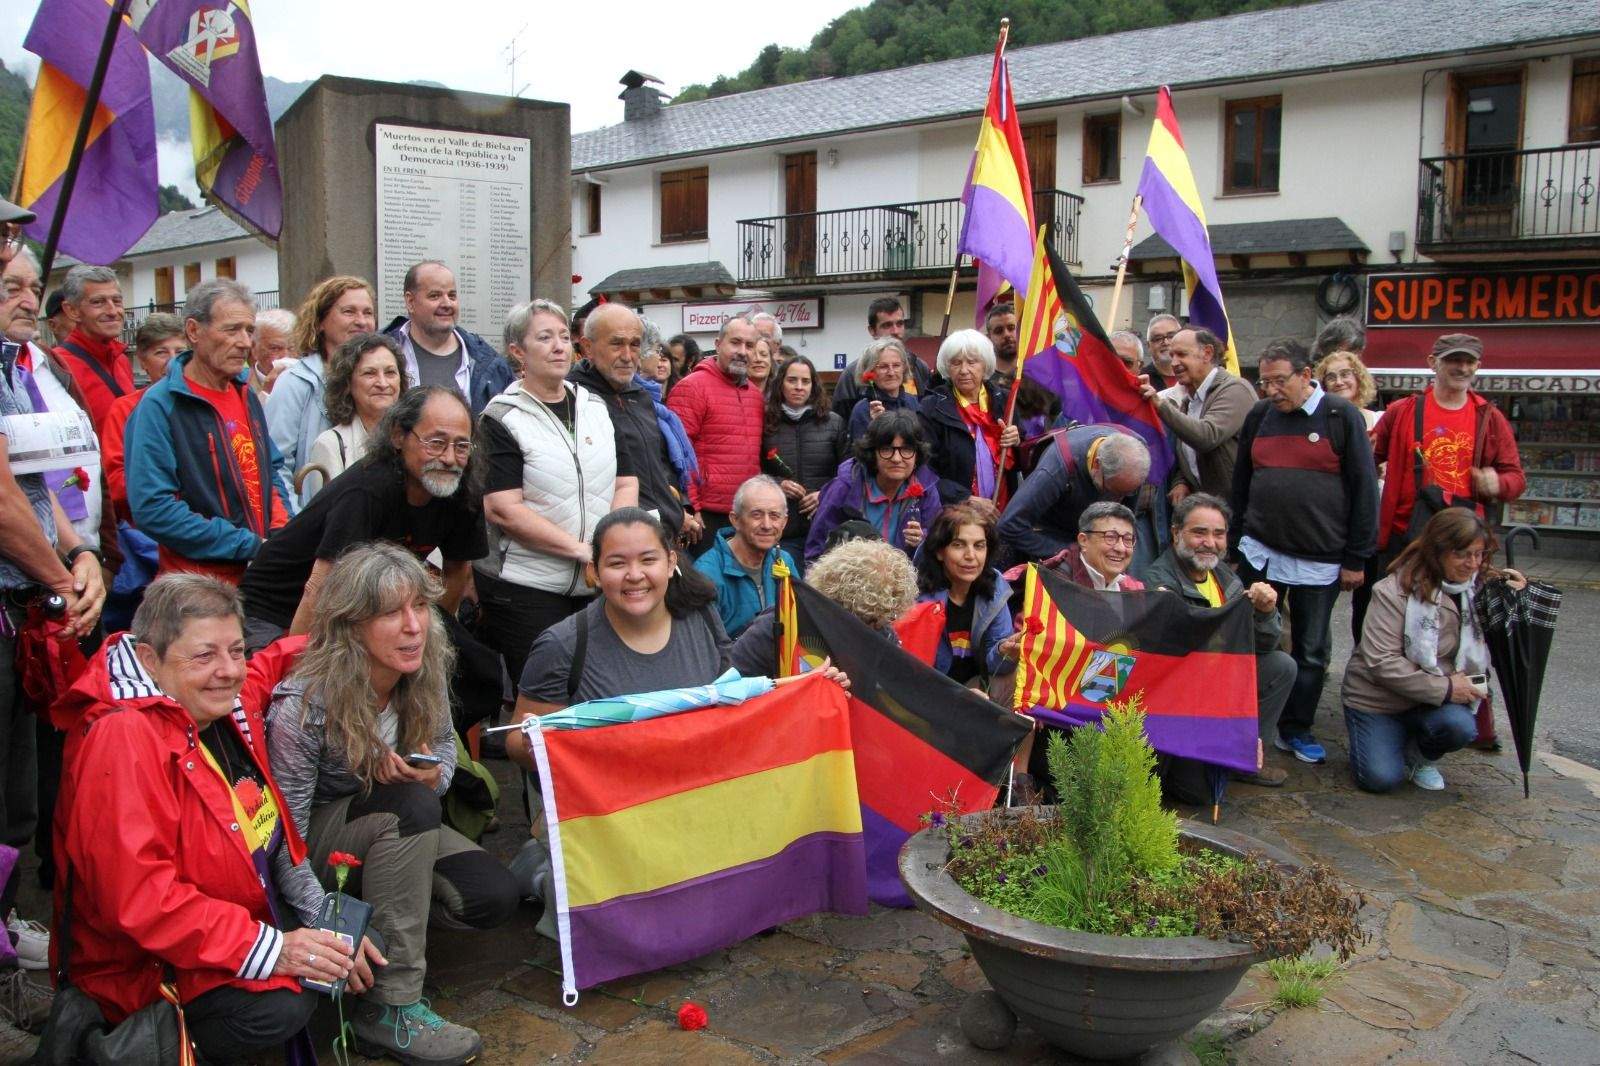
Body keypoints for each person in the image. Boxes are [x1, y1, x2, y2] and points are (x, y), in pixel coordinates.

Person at [53, 575, 356, 1062]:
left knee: (357, 943)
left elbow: (268, 663)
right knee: (281, 1005)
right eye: (204, 655)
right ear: (149, 659)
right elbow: (141, 900)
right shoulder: (123, 737)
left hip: (225, 921)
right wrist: (271, 948)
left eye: (236, 650)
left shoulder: (220, 701)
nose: (228, 671)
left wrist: (360, 631)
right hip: (149, 965)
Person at [267, 544, 517, 1065]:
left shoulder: (421, 672)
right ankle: (391, 1006)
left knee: (491, 896)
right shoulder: (304, 705)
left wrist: (435, 775)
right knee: (410, 806)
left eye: (420, 606)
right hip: (316, 849)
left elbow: (444, 749)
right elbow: (284, 836)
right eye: (390, 613)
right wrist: (324, 920)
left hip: (395, 828)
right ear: (351, 624)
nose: (413, 626)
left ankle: (381, 933)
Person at [0, 198, 106, 1028]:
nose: (26, 292)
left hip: (24, 603)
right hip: (13, 598)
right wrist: (65, 582)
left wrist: (80, 555)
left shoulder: (16, 367)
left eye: (30, 276)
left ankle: (4, 935)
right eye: (10, 273)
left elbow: (39, 489)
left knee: (18, 797)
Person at [1367, 332, 1525, 749]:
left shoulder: (1489, 417)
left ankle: (1476, 722)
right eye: (1454, 360)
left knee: (1469, 630)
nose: (1463, 368)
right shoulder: (1403, 411)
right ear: (1432, 362)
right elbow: (1368, 456)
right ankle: (1391, 715)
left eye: (1470, 361)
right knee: (1400, 626)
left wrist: (1497, 482)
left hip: (1464, 545)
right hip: (1408, 538)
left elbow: (1515, 477)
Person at [239, 386, 484, 647]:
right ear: (398, 436)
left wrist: (429, 643)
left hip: (359, 610)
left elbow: (457, 571)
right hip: (274, 612)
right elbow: (320, 586)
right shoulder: (367, 491)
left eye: (462, 446)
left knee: (475, 662)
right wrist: (292, 665)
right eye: (436, 443)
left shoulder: (461, 489)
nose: (449, 458)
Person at [1231, 337, 1378, 766]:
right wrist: (1235, 540)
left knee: (1311, 650)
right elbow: (1241, 481)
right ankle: (1247, 718)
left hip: (1321, 558)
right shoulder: (1260, 415)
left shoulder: (1340, 416)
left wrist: (1356, 558)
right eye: (1265, 382)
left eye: (1280, 381)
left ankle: (1297, 727)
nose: (1271, 390)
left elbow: (1364, 490)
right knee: (1251, 637)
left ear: (1306, 375)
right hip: (1261, 551)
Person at [474, 300, 637, 682]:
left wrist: (610, 542)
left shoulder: (595, 406)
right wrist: (580, 549)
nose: (559, 347)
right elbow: (502, 507)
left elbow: (626, 481)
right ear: (518, 351)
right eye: (545, 338)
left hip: (596, 581)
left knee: (597, 687)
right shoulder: (501, 417)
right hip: (528, 585)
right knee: (545, 691)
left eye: (564, 337)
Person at [508, 508, 734, 767]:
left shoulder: (703, 616)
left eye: (648, 560)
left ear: (671, 563)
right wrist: (536, 745)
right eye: (617, 563)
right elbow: (516, 741)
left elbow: (730, 701)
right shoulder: (561, 646)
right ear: (594, 572)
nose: (635, 575)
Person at [1341, 509, 1520, 793]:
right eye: (1463, 554)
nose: (1473, 564)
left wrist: (1515, 595)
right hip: (1379, 700)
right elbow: (1382, 662)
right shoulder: (1391, 591)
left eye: (1479, 554)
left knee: (1459, 726)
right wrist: (1447, 688)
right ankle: (1382, 737)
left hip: (1432, 703)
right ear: (1437, 551)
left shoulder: (1478, 588)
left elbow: (1508, 638)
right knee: (1380, 779)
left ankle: (1419, 755)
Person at [126, 280, 291, 582]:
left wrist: (281, 534)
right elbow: (154, 508)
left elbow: (270, 472)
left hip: (260, 576)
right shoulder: (160, 406)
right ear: (193, 331)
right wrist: (248, 545)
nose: (245, 342)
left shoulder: (245, 394)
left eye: (249, 330)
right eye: (232, 330)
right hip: (198, 587)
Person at [1145, 493, 1296, 789]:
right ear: (1176, 533)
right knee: (1197, 792)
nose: (1210, 542)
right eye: (1199, 532)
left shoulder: (1224, 576)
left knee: (1281, 666)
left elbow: (1262, 646)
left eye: (1218, 534)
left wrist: (1265, 613)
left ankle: (1245, 757)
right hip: (1183, 692)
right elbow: (1172, 659)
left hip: (1221, 676)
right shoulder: (1157, 580)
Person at [3, 249, 115, 556]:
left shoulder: (51, 364)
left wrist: (106, 555)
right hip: (25, 567)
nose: (30, 302)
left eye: (34, 289)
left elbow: (91, 455)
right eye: (12, 289)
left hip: (85, 557)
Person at [571, 303, 703, 544]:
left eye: (634, 345)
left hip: (661, 531)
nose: (627, 355)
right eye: (616, 344)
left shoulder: (640, 396)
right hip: (618, 538)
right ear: (588, 347)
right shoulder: (576, 400)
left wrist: (676, 508)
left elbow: (655, 468)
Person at [730, 537, 916, 678]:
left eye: (886, 619)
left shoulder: (882, 633)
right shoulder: (781, 623)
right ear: (839, 603)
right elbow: (729, 685)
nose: (877, 627)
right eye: (868, 620)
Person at [267, 276, 377, 500]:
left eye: (368, 313)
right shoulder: (295, 382)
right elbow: (276, 465)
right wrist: (295, 517)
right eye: (349, 312)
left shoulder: (381, 382)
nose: (361, 321)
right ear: (320, 322)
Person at [667, 313, 763, 549]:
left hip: (744, 512)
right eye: (735, 342)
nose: (743, 351)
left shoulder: (754, 395)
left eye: (750, 345)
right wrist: (691, 507)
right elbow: (677, 454)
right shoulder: (692, 388)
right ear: (718, 344)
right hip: (705, 517)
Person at [998, 427, 1150, 566]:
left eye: (1127, 492)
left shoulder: (1136, 454)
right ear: (1097, 464)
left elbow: (1126, 519)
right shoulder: (1056, 469)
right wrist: (1071, 552)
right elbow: (1009, 525)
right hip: (1055, 535)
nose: (1117, 501)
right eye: (1111, 491)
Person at [806, 410, 941, 562]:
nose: (897, 459)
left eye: (906, 450)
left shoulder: (926, 489)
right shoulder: (845, 487)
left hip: (908, 575)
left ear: (917, 455)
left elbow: (938, 543)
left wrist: (922, 541)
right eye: (887, 449)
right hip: (852, 574)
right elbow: (817, 551)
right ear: (872, 454)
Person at [383, 260, 513, 416]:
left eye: (452, 296)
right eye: (435, 296)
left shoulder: (490, 364)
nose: (447, 304)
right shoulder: (381, 352)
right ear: (410, 302)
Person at [1142, 326, 1255, 502]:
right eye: (1172, 355)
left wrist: (1159, 404)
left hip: (1238, 509)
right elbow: (1190, 454)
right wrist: (1182, 482)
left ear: (1207, 353)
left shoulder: (1235, 390)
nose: (1174, 363)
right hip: (1208, 509)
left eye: (1182, 354)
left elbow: (1206, 436)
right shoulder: (1189, 402)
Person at [915, 503, 1017, 688]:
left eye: (979, 546)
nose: (970, 555)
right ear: (940, 552)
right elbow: (913, 671)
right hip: (928, 689)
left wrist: (1004, 652)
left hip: (973, 687)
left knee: (1019, 678)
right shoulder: (918, 596)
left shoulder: (995, 586)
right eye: (958, 545)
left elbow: (995, 667)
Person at [918, 329, 1020, 512]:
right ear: (947, 367)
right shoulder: (932, 408)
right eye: (956, 363)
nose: (964, 370)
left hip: (1005, 510)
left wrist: (1017, 441)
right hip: (957, 513)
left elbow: (1025, 461)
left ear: (985, 364)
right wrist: (963, 498)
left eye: (972, 362)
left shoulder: (1005, 401)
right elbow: (923, 470)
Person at [300, 333, 409, 500]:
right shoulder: (330, 445)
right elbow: (330, 512)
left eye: (390, 373)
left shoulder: (413, 437)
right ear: (347, 383)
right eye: (369, 373)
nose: (383, 383)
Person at [762, 353, 848, 565]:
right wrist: (777, 484)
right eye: (792, 380)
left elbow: (848, 472)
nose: (799, 387)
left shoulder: (833, 423)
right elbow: (753, 470)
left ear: (813, 385)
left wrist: (825, 494)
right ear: (780, 384)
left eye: (805, 381)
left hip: (825, 529)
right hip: (781, 532)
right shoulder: (766, 422)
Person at [103, 313, 186, 519]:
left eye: (180, 352)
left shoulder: (206, 403)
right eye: (161, 352)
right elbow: (115, 481)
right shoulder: (125, 409)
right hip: (152, 523)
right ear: (142, 361)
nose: (172, 361)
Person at [693, 475, 797, 639]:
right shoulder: (706, 574)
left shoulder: (784, 561)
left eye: (774, 516)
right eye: (756, 515)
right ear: (735, 520)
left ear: (784, 522)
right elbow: (702, 645)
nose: (767, 525)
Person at [50, 264, 131, 432]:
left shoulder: (121, 360)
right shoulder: (58, 366)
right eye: (98, 302)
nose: (112, 311)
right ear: (72, 310)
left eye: (117, 301)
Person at [830, 297, 932, 414]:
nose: (895, 331)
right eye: (887, 325)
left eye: (899, 324)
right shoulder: (852, 373)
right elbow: (841, 420)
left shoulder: (919, 367)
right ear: (872, 331)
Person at [1045, 501, 1147, 591]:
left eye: (1128, 539)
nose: (1121, 548)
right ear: (1084, 541)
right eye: (1110, 537)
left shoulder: (1134, 591)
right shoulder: (1055, 581)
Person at [845, 336, 921, 439]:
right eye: (883, 367)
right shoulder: (863, 410)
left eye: (896, 365)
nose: (891, 373)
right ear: (870, 370)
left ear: (904, 368)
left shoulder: (912, 402)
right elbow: (859, 447)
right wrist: (874, 428)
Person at [1316, 348, 1381, 432]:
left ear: (1359, 379)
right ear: (1324, 386)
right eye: (1331, 378)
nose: (1338, 382)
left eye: (1345, 375)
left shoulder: (1379, 419)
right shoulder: (1317, 423)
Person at [250, 307, 297, 395]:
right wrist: (266, 393)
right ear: (254, 349)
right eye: (275, 348)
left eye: (291, 348)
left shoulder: (309, 381)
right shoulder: (240, 385)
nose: (286, 356)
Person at [1142, 313, 1181, 390]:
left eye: (1171, 336)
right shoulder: (1142, 380)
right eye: (1158, 339)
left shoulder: (1196, 376)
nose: (1166, 342)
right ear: (1148, 345)